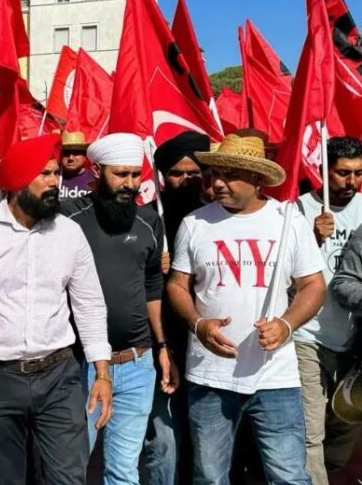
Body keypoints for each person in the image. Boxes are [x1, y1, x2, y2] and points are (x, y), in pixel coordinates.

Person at [0, 133, 113, 485]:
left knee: (68, 477)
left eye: (56, 173)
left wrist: (102, 373)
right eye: (45, 175)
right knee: (8, 478)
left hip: (60, 376)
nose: (55, 182)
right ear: (17, 182)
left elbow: (89, 304)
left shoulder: (70, 233)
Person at [166, 133, 326, 485]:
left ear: (257, 179)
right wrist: (198, 325)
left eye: (229, 175)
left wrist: (286, 324)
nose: (217, 183)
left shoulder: (289, 221)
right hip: (210, 376)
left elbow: (313, 285)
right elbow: (177, 285)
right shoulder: (195, 223)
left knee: (288, 476)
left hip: (276, 378)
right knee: (209, 477)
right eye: (214, 175)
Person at [64, 133, 174, 485]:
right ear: (96, 170)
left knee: (124, 471)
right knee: (71, 468)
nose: (130, 184)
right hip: (80, 366)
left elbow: (152, 287)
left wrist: (162, 347)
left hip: (137, 363)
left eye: (135, 175)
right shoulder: (68, 219)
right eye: (120, 175)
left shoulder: (149, 221)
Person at [292, 137, 362, 485]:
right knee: (310, 433)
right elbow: (283, 277)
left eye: (359, 174)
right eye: (342, 173)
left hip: (353, 340)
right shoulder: (299, 210)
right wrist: (312, 237)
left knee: (343, 429)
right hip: (308, 335)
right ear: (324, 170)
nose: (351, 182)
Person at [145, 130, 210, 485]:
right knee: (164, 435)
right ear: (162, 177)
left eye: (194, 172)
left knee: (206, 435)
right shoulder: (145, 220)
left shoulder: (216, 219)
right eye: (177, 173)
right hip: (161, 342)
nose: (186, 180)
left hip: (205, 342)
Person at [59, 132, 94, 200]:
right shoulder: (52, 178)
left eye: (76, 152)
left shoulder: (94, 179)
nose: (71, 158)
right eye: (66, 152)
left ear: (85, 155)